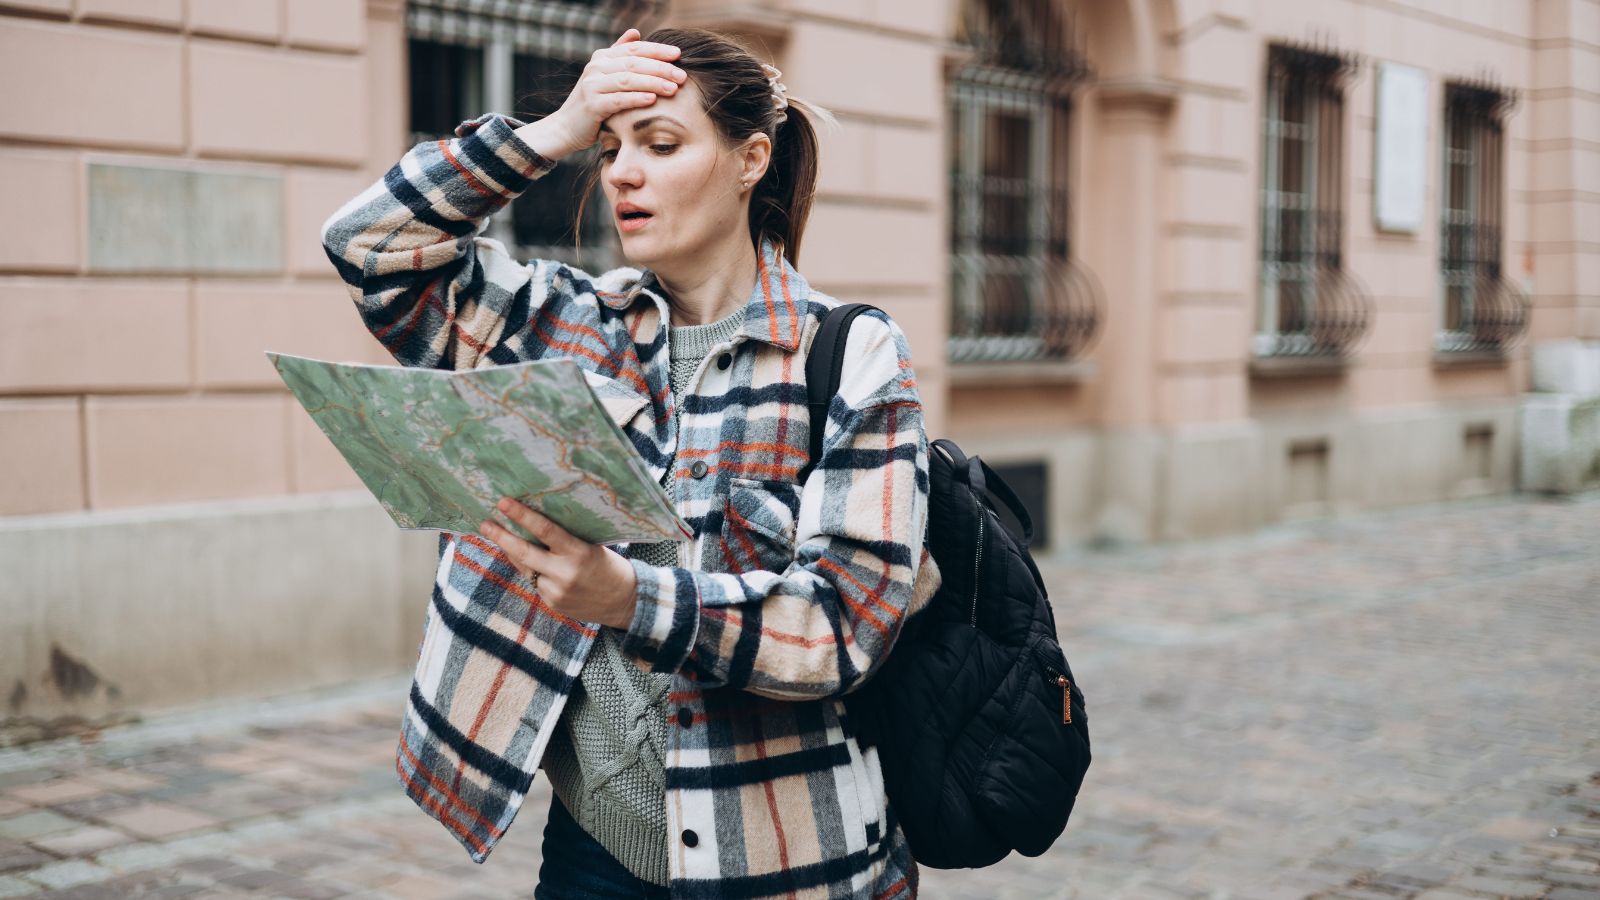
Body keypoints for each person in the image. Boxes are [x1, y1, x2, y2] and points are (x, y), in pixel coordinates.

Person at [321, 25, 940, 899]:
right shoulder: (564, 321)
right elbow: (368, 246)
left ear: (750, 159)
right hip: (595, 851)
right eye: (610, 149)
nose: (620, 173)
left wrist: (628, 598)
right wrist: (554, 130)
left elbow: (845, 627)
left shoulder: (849, 354)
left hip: (784, 862)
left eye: (661, 144)